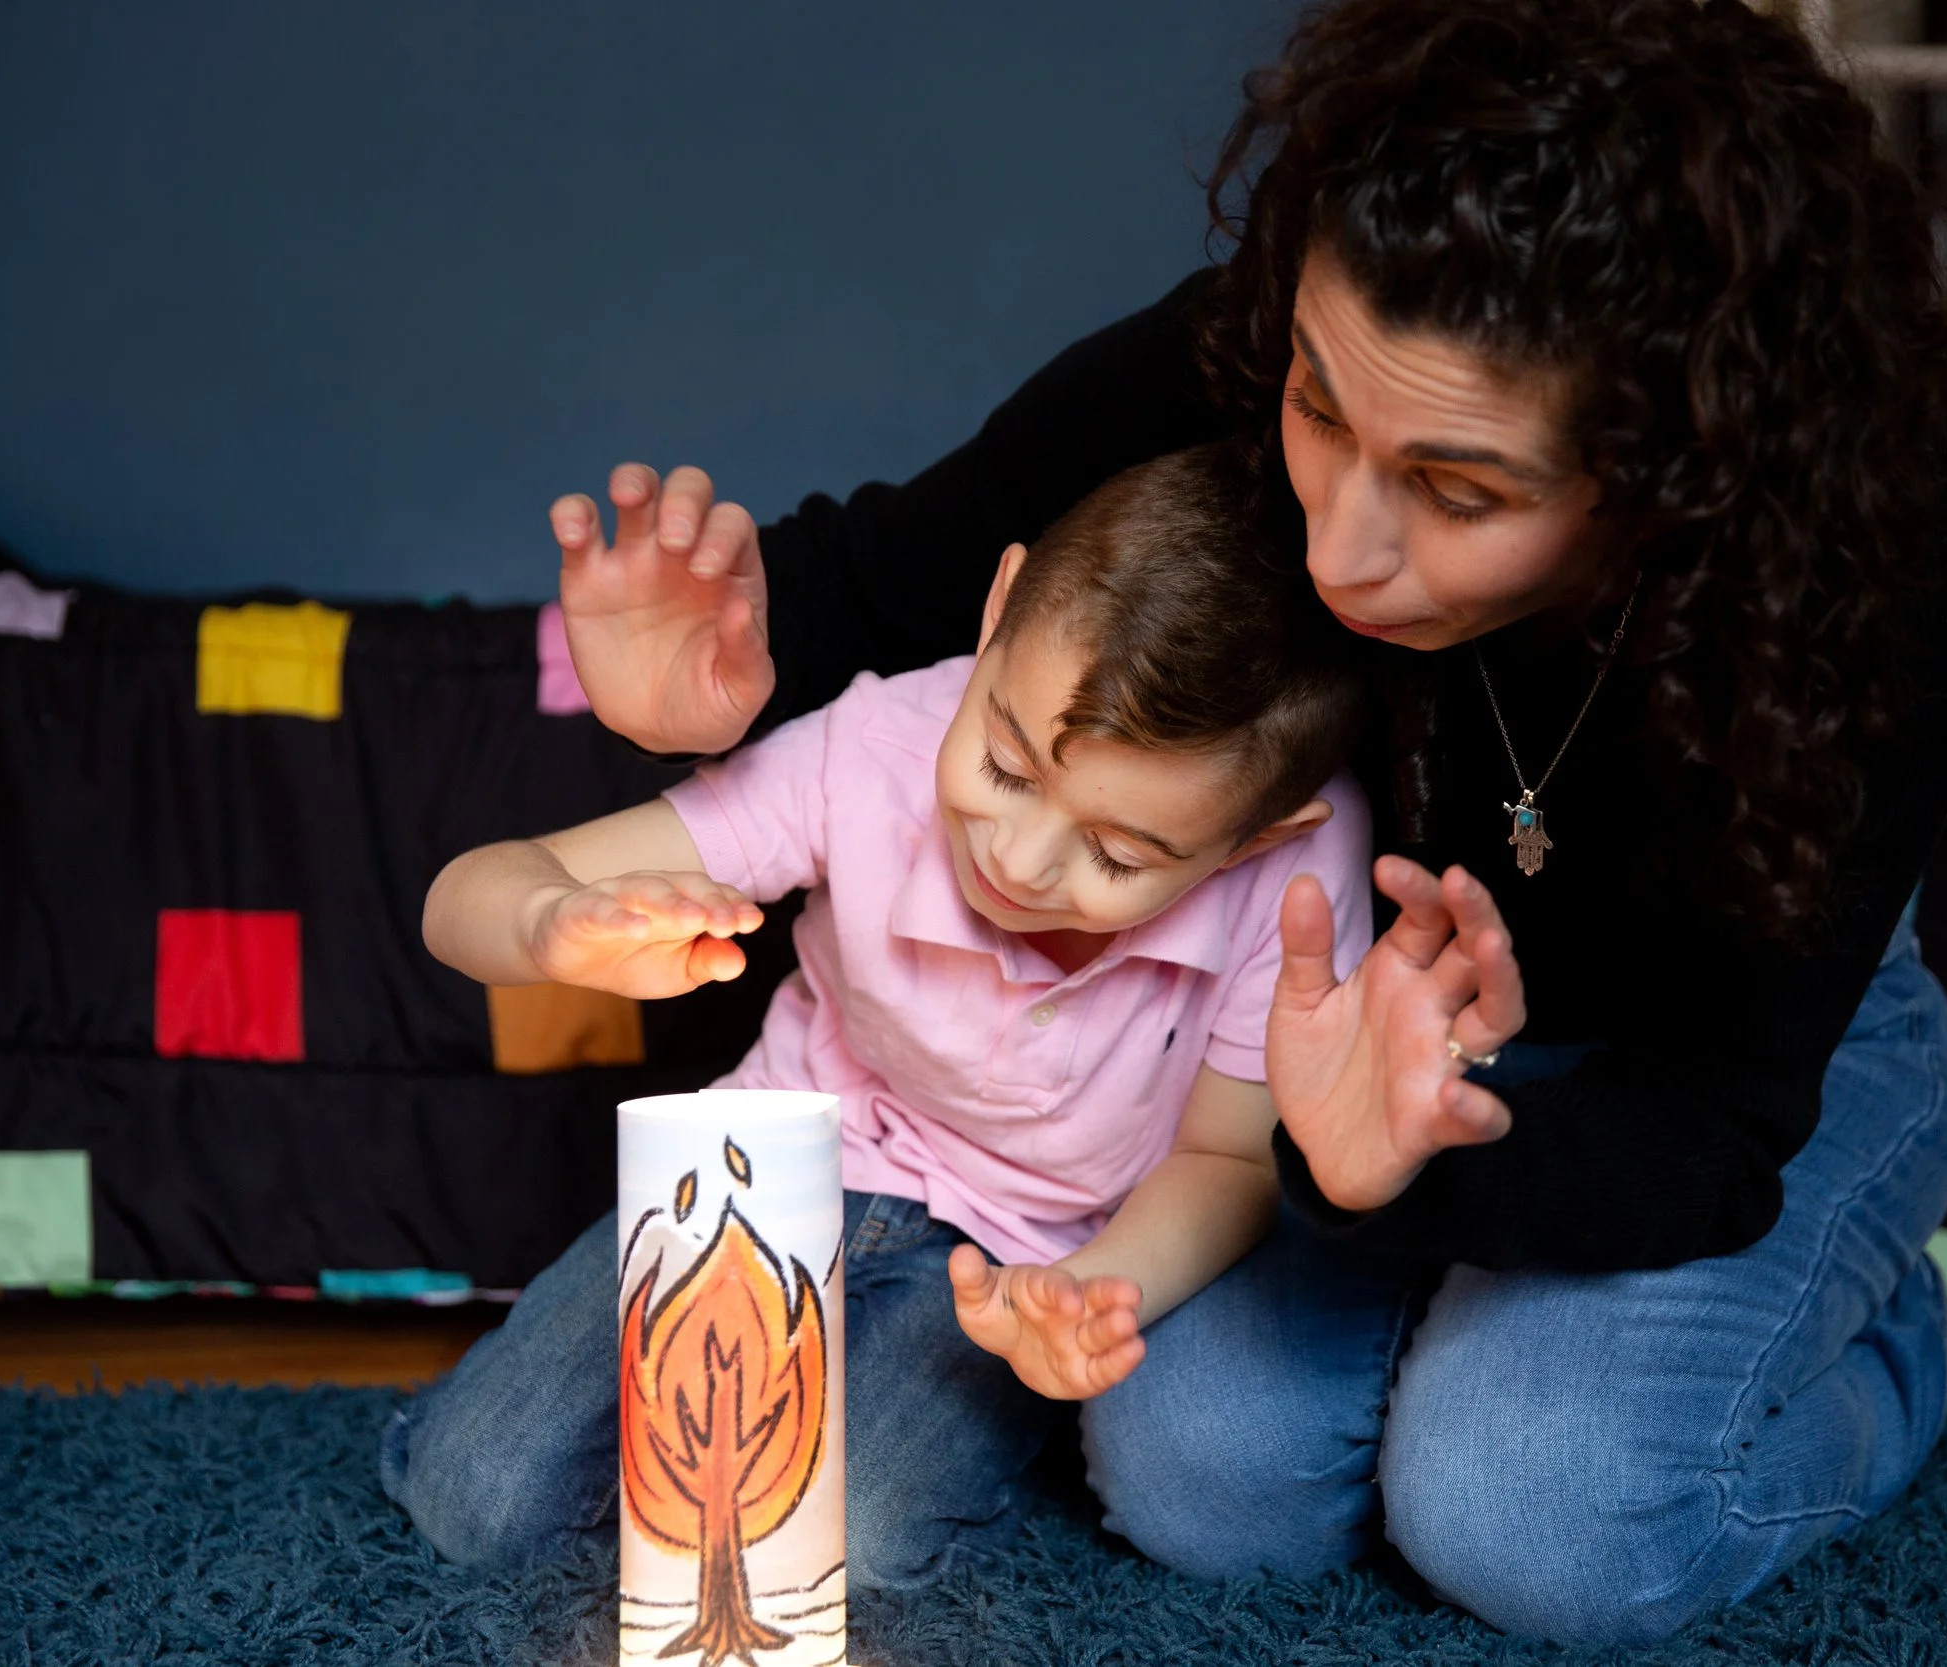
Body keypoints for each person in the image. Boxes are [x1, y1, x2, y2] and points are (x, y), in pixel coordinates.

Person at [549, 0, 1947, 1646]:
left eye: (1459, 492)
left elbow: (1718, 1115)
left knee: (1524, 1511)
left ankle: (1896, 1333)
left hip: (1696, 1070)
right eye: (1322, 411)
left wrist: (1422, 1166)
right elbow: (901, 567)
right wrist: (713, 676)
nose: (1341, 549)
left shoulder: (1894, 548)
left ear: (1680, 468)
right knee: (1205, 1483)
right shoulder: (1256, 349)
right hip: (1341, 1063)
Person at [381, 444, 1375, 1587]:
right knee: (478, 1496)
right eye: (1004, 766)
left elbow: (1228, 1157)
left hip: (1002, 1259)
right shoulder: (876, 742)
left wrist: (1092, 1290)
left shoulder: (1299, 877)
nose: (1019, 860)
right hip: (763, 1167)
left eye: (1116, 853)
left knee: (839, 1547)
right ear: (998, 612)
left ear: (1257, 835)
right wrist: (548, 922)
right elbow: (465, 896)